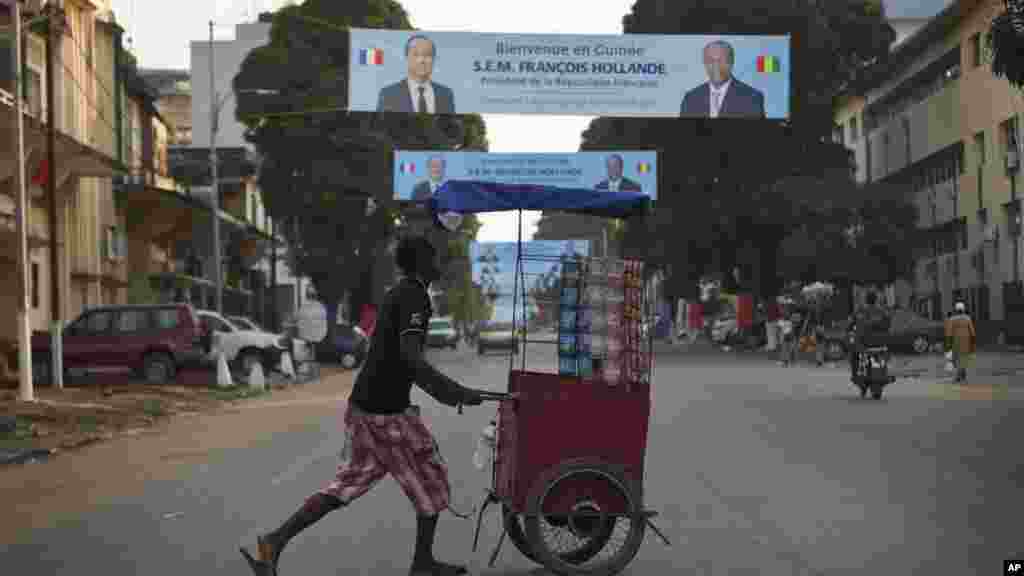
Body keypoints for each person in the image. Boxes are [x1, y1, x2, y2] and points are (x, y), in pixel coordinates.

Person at [240, 235, 486, 576]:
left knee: (346, 486)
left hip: (365, 408)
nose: (438, 265)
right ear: (420, 264)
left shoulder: (398, 293)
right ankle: (423, 565)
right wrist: (455, 392)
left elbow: (402, 358)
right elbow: (410, 359)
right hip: (386, 413)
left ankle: (273, 543)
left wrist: (451, 392)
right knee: (431, 479)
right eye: (434, 259)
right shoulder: (414, 296)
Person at [680, 40, 766, 118]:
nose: (716, 65)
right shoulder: (691, 98)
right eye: (710, 60)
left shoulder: (752, 98)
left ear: (732, 62)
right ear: (704, 63)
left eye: (721, 60)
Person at [377, 35, 455, 114]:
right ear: (406, 58)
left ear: (434, 59)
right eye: (416, 54)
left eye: (427, 55)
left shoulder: (445, 94)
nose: (421, 60)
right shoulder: (389, 94)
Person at [850, 292, 889, 383]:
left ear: (866, 300)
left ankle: (857, 374)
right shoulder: (882, 310)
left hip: (864, 342)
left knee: (854, 354)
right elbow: (888, 322)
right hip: (880, 341)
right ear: (875, 300)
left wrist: (850, 329)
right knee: (883, 354)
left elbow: (852, 321)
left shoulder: (861, 310)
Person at [944, 301, 976, 384]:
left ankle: (958, 377)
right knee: (964, 360)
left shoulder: (952, 319)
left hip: (956, 343)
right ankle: (962, 377)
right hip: (966, 343)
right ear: (963, 309)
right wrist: (972, 345)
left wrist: (948, 345)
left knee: (956, 361)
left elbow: (949, 334)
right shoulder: (968, 318)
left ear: (956, 310)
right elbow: (972, 333)